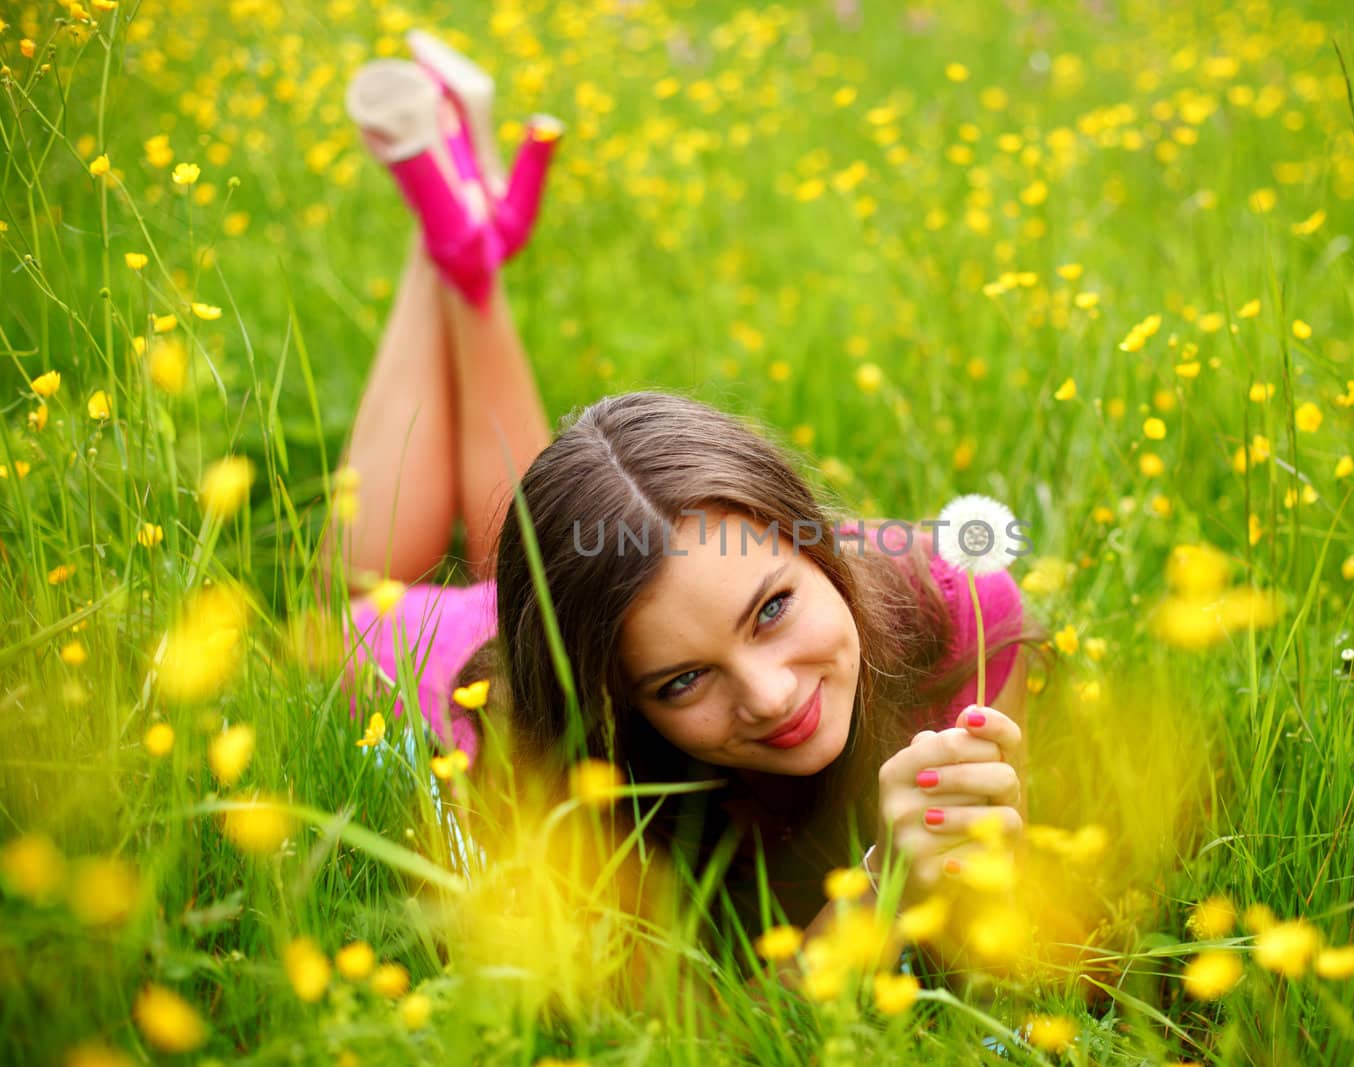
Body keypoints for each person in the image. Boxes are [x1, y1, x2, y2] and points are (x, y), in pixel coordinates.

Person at [334, 33, 1050, 990]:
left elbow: (1012, 895)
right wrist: (880, 888)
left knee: (515, 535)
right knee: (370, 582)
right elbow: (721, 1032)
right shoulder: (569, 779)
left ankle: (459, 232)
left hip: (580, 591)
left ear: (814, 540)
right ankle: (451, 236)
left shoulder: (959, 610)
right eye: (679, 683)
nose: (766, 694)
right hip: (438, 653)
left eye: (772, 608)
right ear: (617, 706)